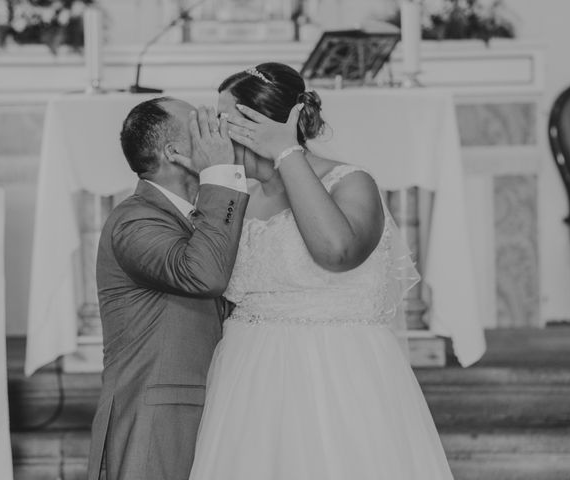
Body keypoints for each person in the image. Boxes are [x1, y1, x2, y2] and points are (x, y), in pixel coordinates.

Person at [188, 63, 454, 479]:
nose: (217, 130)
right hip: (249, 382)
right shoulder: (237, 195)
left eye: (229, 120)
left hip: (337, 376)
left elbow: (336, 251)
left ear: (271, 123)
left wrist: (286, 152)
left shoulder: (350, 182)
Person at [87, 97, 249, 480]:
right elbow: (205, 274)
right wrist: (222, 174)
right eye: (200, 125)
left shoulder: (199, 214)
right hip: (157, 421)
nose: (216, 130)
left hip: (210, 411)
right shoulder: (134, 221)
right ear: (174, 152)